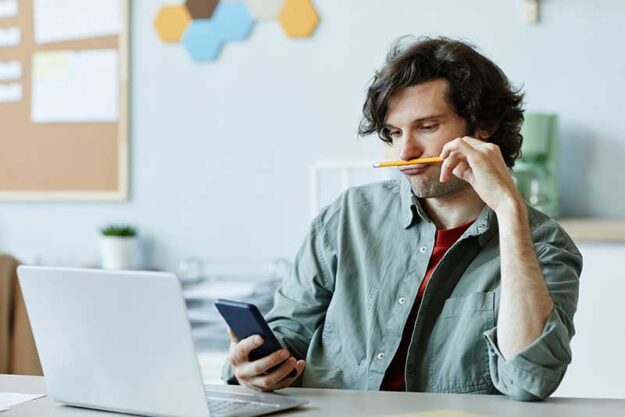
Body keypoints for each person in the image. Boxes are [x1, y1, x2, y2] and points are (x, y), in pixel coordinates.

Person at [221, 36, 582, 401]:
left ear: (483, 125)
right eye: (394, 133)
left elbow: (529, 380)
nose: (405, 152)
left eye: (426, 127)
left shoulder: (544, 243)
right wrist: (256, 364)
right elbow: (291, 330)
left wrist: (509, 210)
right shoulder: (349, 216)